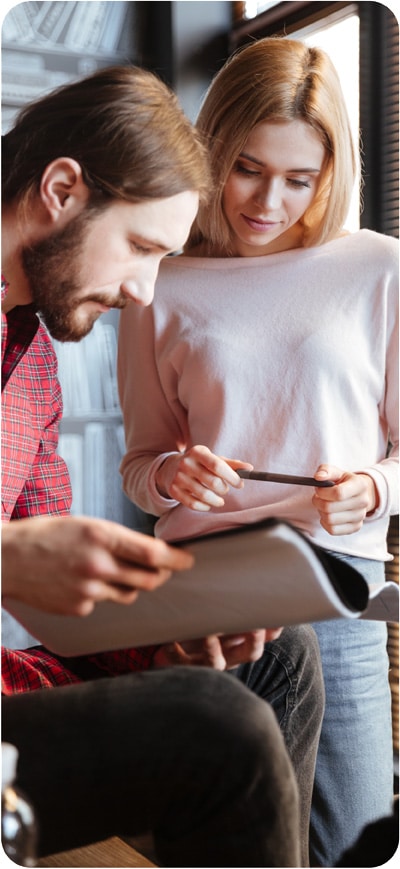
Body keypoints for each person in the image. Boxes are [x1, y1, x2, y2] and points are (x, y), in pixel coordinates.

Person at [1, 64, 325, 867]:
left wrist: (162, 638)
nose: (146, 292)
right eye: (142, 247)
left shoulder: (34, 363)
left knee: (279, 657)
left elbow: (57, 595)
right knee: (217, 730)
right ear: (63, 189)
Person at [118, 37, 399, 868]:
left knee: (355, 841)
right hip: (206, 605)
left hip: (334, 591)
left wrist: (373, 490)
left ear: (329, 172)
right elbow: (141, 461)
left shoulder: (379, 268)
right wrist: (174, 473)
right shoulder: (161, 278)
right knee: (222, 845)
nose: (268, 200)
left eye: (299, 179)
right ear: (211, 149)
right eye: (246, 167)